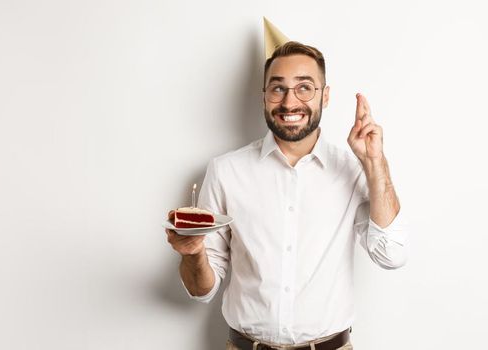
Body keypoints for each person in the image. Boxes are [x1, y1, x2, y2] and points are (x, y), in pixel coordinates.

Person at [165, 37, 408, 350]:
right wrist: (193, 253)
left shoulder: (354, 169)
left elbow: (392, 255)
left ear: (326, 96)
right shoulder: (226, 171)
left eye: (305, 87)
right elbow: (200, 291)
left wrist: (375, 162)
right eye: (278, 88)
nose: (290, 102)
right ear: (264, 96)